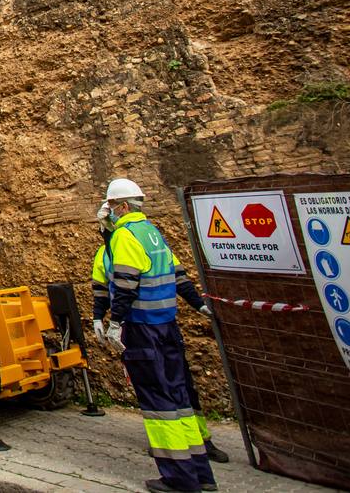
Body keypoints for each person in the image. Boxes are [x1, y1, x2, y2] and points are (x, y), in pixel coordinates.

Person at [98, 178, 219, 493]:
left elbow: (125, 283)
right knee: (180, 397)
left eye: (111, 207)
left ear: (123, 207)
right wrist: (199, 306)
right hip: (168, 327)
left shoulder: (125, 236)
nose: (108, 212)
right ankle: (202, 475)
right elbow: (179, 276)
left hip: (142, 329)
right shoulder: (152, 233)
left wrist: (115, 323)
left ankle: (179, 479)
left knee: (158, 403)